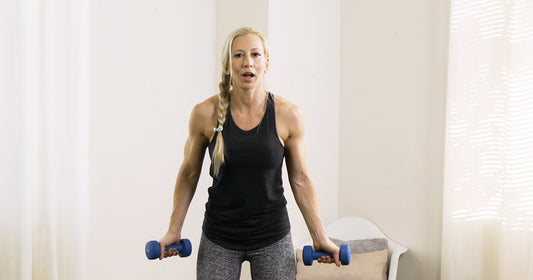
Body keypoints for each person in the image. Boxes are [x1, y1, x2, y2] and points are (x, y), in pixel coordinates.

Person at [158, 27, 339, 280]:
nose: (248, 63)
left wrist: (320, 236)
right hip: (219, 236)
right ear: (227, 65)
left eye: (255, 54)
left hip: (272, 236)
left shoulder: (288, 115)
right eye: (239, 55)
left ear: (266, 63)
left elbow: (300, 179)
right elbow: (189, 173)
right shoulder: (204, 114)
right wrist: (173, 230)